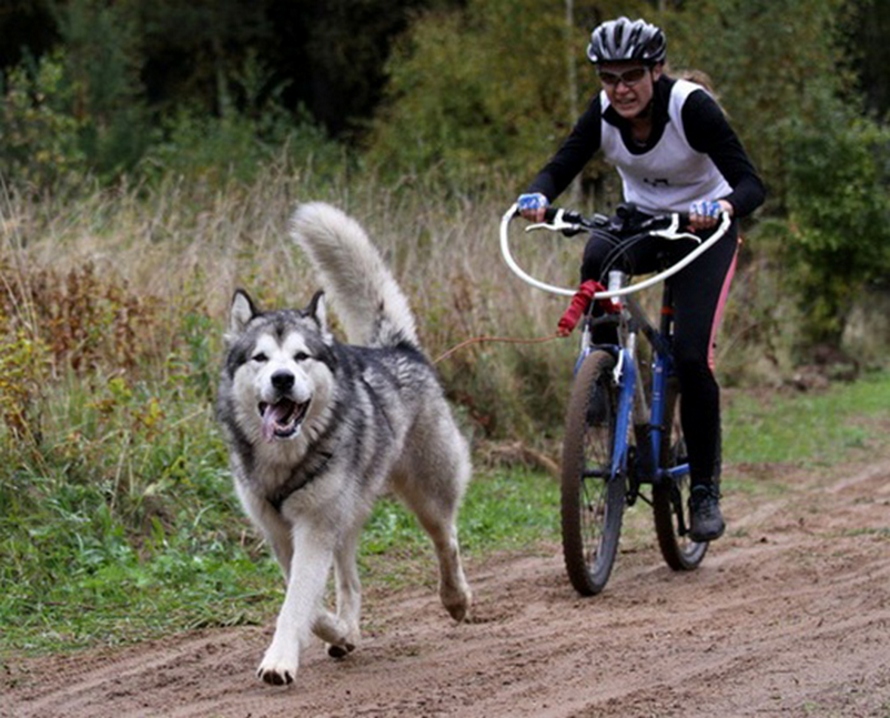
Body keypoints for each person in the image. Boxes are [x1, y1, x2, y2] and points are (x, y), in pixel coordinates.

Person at [516, 16, 765, 542]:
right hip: (645, 225)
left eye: (631, 76)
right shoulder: (603, 112)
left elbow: (751, 183)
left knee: (693, 357)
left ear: (656, 71)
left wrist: (719, 205)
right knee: (598, 249)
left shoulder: (690, 108)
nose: (620, 89)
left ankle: (703, 490)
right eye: (609, 78)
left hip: (705, 233)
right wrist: (538, 195)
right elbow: (562, 164)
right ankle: (602, 372)